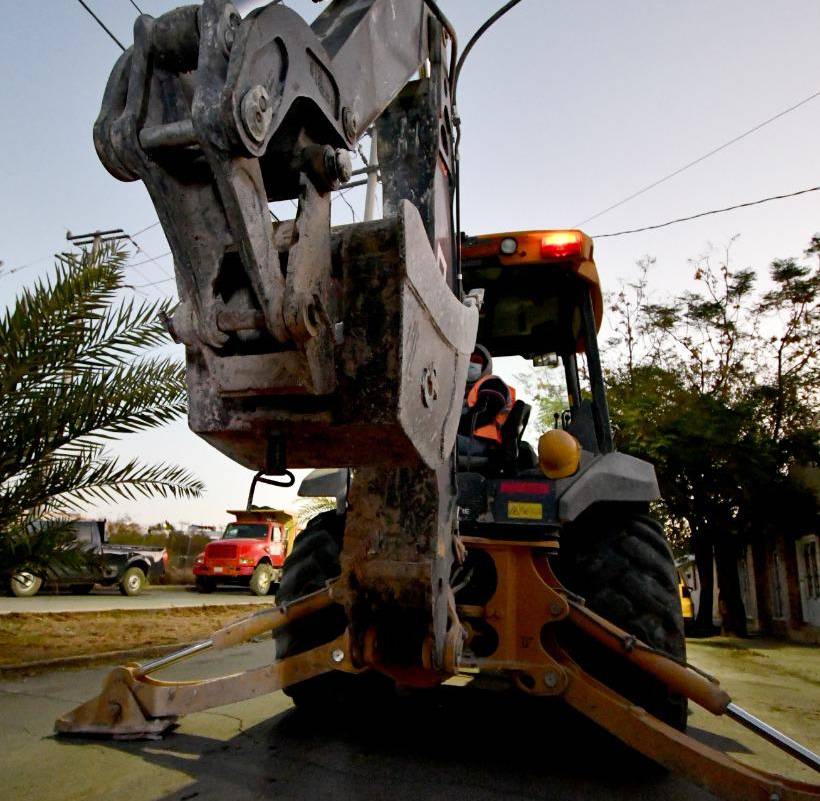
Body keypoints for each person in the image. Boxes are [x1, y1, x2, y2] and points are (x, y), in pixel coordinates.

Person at [459, 345, 516, 456]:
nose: (470, 364)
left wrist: (452, 428)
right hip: (469, 437)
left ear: (486, 366)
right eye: (467, 360)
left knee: (434, 438)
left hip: (479, 442)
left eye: (476, 361)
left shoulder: (493, 383)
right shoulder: (463, 390)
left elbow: (483, 415)